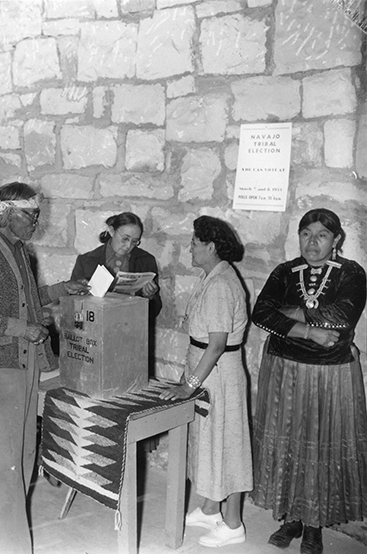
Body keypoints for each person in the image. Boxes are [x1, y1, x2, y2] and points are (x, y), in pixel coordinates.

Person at [0, 182, 89, 553]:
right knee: (3, 458)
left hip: (25, 361)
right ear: (6, 214)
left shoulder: (21, 253)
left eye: (37, 214)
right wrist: (21, 328)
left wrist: (63, 288)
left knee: (23, 452)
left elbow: (29, 299)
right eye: (31, 214)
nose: (36, 220)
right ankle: (12, 544)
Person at [251, 208, 367, 554]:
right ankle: (292, 517)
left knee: (319, 444)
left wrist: (289, 313)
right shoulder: (285, 271)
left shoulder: (351, 272)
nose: (312, 242)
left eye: (321, 235)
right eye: (305, 233)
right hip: (284, 368)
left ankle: (314, 525)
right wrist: (309, 331)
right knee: (290, 443)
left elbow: (342, 315)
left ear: (337, 240)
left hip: (329, 373)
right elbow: (260, 313)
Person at [159, 215, 252, 548]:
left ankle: (233, 524)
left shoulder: (221, 285)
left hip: (219, 376)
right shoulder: (212, 276)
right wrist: (192, 379)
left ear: (211, 247)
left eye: (195, 243)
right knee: (211, 444)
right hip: (206, 372)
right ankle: (212, 508)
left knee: (228, 447)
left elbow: (215, 345)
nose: (190, 248)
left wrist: (189, 385)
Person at [71, 211, 162, 318]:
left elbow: (154, 311)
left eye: (134, 241)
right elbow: (72, 303)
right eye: (125, 239)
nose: (128, 246)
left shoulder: (146, 261)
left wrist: (150, 296)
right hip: (95, 325)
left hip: (130, 326)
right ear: (111, 231)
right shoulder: (86, 261)